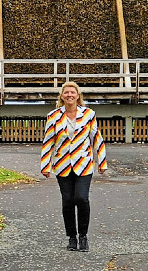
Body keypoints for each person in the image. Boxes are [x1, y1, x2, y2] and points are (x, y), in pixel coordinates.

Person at [40, 81, 107, 252]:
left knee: (82, 198)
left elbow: (96, 138)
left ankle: (83, 236)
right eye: (66, 92)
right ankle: (72, 237)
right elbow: (48, 142)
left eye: (73, 92)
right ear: (62, 96)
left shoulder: (89, 114)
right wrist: (45, 165)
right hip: (62, 165)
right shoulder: (53, 116)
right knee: (68, 201)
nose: (70, 95)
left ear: (78, 96)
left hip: (84, 164)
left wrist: (102, 162)